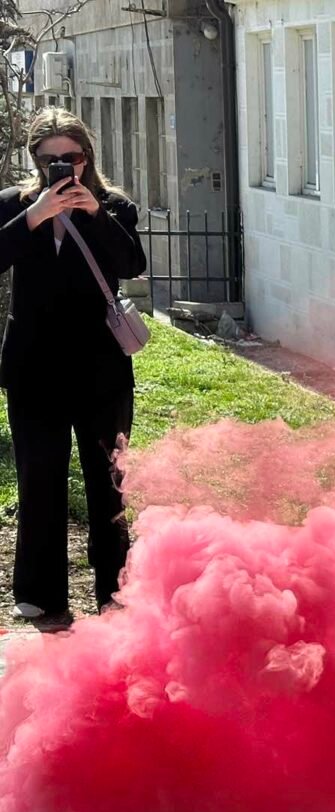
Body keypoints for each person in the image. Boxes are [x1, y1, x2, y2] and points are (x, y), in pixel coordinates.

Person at [0, 107, 147, 630]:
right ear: (35, 163)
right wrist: (35, 215)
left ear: (88, 158)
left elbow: (132, 264)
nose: (62, 169)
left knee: (109, 479)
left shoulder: (114, 206)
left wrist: (95, 216)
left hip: (100, 371)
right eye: (50, 161)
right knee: (40, 479)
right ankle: (41, 594)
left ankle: (114, 588)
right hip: (33, 370)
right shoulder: (15, 207)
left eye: (72, 158)